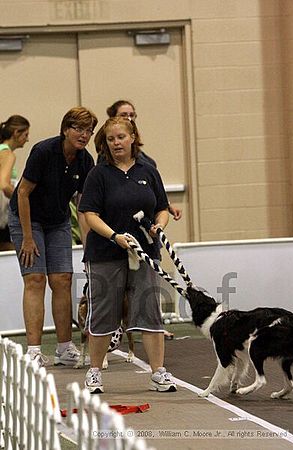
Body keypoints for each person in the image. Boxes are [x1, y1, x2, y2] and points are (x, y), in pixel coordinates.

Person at [79, 116, 177, 393]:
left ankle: (158, 371)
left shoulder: (148, 171)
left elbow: (161, 207)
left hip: (145, 253)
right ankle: (95, 371)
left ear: (133, 137)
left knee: (150, 310)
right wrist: (114, 236)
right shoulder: (99, 174)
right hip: (106, 253)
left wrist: (159, 225)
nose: (116, 143)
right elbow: (89, 214)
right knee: (103, 312)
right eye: (110, 139)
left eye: (121, 137)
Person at [8, 106, 98, 367]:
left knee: (62, 279)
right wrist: (27, 237)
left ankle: (64, 347)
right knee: (35, 279)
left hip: (57, 220)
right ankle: (34, 350)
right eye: (78, 129)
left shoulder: (85, 160)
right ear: (66, 130)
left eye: (89, 131)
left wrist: (88, 244)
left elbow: (83, 206)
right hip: (26, 218)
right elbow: (23, 193)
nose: (84, 135)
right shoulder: (44, 151)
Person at [104, 99, 182, 221]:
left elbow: (151, 188)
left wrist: (166, 205)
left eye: (131, 115)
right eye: (123, 115)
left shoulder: (145, 161)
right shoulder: (107, 158)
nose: (128, 118)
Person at [0, 115, 30, 251]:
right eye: (26, 134)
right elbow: (4, 185)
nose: (27, 139)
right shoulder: (7, 154)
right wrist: (21, 198)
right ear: (16, 133)